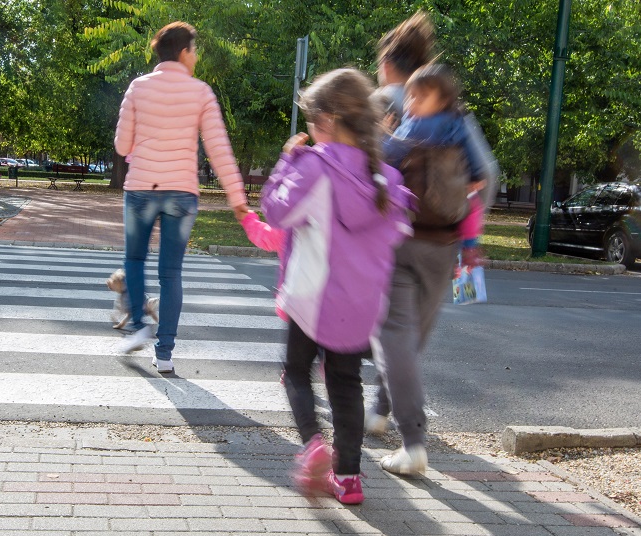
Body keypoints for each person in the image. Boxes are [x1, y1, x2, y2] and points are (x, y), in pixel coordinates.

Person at [247, 68, 413, 505]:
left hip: (311, 297)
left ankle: (313, 445)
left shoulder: (315, 166)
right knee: (346, 385)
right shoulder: (389, 181)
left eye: (310, 119)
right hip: (360, 304)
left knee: (296, 372)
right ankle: (349, 478)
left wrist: (288, 161)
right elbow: (395, 236)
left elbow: (277, 214)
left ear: (328, 120)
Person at [367, 13, 496, 477]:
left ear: (387, 63)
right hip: (445, 243)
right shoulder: (459, 116)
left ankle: (411, 437)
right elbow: (486, 176)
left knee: (392, 334)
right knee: (410, 336)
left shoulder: (386, 103)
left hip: (398, 238)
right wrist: (469, 232)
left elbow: (371, 161)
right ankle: (380, 410)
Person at [113, 21, 249, 373]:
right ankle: (166, 353)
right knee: (171, 273)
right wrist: (236, 197)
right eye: (195, 49)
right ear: (185, 52)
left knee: (134, 261)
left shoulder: (137, 88)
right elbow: (218, 148)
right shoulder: (201, 92)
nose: (197, 55)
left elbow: (121, 145)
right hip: (181, 193)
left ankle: (139, 324)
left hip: (141, 188)